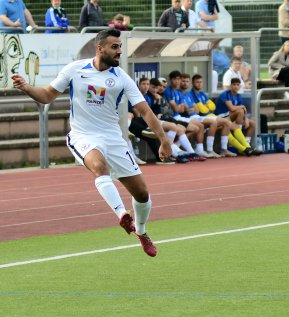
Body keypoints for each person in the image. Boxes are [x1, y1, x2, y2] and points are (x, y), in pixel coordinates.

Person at [12, 29, 171, 257]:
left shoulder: (121, 77)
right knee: (99, 167)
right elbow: (47, 95)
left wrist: (164, 139)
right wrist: (27, 87)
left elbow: (145, 111)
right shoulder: (75, 69)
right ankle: (122, 215)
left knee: (142, 194)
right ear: (100, 48)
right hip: (83, 135)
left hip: (113, 139)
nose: (119, 51)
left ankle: (141, 232)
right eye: (114, 47)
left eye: (119, 47)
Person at [191, 74, 240, 157]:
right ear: (193, 83)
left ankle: (224, 149)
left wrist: (205, 107)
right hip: (201, 117)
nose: (199, 84)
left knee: (228, 123)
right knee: (225, 122)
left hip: (210, 115)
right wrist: (206, 107)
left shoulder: (202, 94)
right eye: (197, 82)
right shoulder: (192, 94)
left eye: (201, 82)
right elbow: (202, 110)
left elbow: (213, 106)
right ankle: (210, 150)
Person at [214, 78, 262, 156]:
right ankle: (244, 148)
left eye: (237, 85)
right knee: (239, 112)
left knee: (252, 123)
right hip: (221, 117)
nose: (236, 86)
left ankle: (247, 145)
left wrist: (245, 119)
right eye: (234, 85)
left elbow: (241, 110)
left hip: (231, 118)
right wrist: (242, 107)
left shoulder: (238, 96)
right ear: (230, 86)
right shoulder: (225, 94)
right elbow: (232, 108)